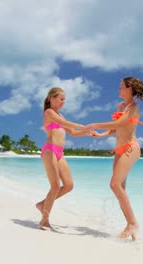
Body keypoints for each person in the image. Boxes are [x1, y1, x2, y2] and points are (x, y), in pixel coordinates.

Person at [84, 77, 143, 240]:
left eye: (121, 87)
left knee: (114, 184)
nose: (119, 89)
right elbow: (115, 129)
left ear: (130, 89)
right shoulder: (121, 106)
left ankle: (133, 223)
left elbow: (121, 123)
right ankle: (132, 231)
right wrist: (100, 135)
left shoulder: (133, 107)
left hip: (130, 147)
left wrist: (95, 124)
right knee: (120, 190)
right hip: (119, 149)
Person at [36, 87, 87, 230]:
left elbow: (73, 132)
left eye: (64, 99)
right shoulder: (49, 112)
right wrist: (83, 126)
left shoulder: (61, 115)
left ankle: (42, 204)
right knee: (55, 186)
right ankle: (44, 220)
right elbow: (66, 125)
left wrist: (87, 133)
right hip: (50, 150)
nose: (63, 102)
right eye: (61, 99)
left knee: (69, 185)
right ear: (51, 98)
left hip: (60, 152)